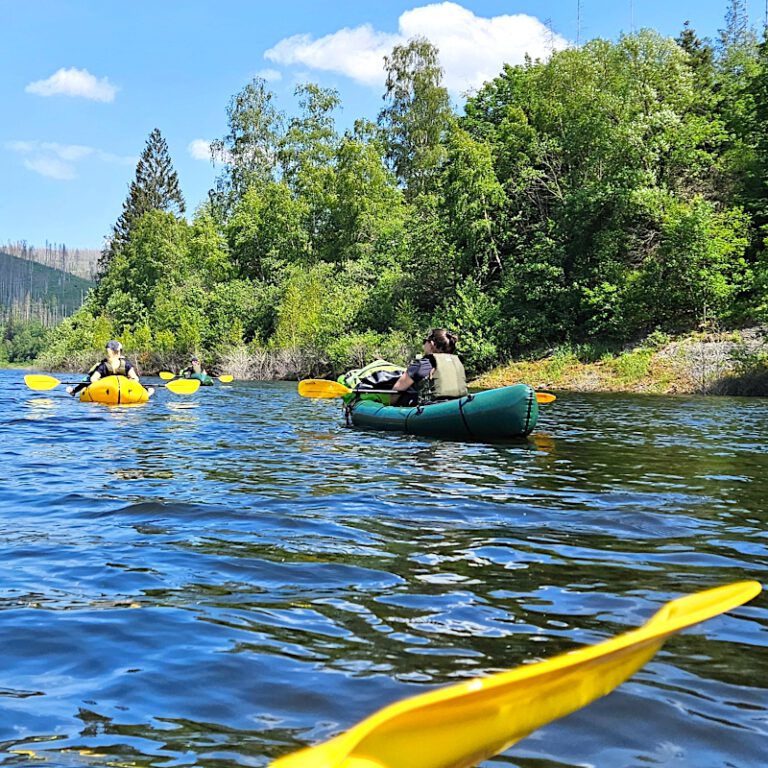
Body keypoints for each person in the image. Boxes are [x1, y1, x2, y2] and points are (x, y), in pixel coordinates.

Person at [391, 328, 468, 406]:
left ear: (431, 344)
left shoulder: (420, 365)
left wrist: (390, 407)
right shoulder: (458, 364)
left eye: (425, 341)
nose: (423, 344)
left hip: (430, 410)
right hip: (459, 406)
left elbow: (397, 390)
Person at [67, 340, 154, 397]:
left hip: (122, 387)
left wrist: (130, 382)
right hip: (107, 387)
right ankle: (75, 390)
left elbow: (135, 378)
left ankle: (145, 390)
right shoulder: (104, 366)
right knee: (88, 379)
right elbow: (93, 379)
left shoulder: (125, 365)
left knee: (88, 379)